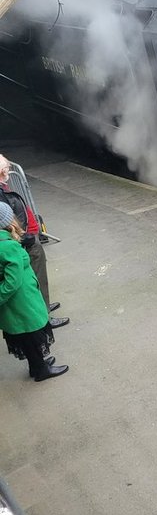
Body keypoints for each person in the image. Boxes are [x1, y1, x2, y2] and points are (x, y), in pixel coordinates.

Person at [0, 202, 67, 381]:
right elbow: (12, 281)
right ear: (8, 222)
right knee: (31, 337)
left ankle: (36, 366)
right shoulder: (8, 246)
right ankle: (40, 370)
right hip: (21, 304)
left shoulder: (5, 243)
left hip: (17, 306)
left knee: (27, 338)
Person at [0, 155, 68, 329]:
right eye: (6, 168)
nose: (9, 171)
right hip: (25, 243)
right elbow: (7, 224)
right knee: (33, 279)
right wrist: (26, 238)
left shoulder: (3, 187)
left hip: (27, 239)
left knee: (38, 278)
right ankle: (44, 316)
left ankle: (44, 303)